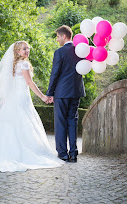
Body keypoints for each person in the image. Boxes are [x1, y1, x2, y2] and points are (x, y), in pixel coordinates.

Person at [0, 41, 64, 172]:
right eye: (24, 49)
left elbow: (9, 84)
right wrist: (43, 96)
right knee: (24, 122)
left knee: (10, 123)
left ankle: (0, 154)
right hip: (21, 98)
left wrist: (5, 98)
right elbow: (30, 83)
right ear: (17, 52)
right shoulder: (24, 64)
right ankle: (20, 154)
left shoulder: (12, 65)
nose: (27, 51)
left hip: (13, 98)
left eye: (28, 48)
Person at [46, 25, 85, 163]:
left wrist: (49, 93)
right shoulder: (81, 51)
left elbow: (55, 74)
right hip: (76, 92)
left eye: (57, 37)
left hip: (62, 93)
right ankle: (73, 154)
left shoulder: (60, 52)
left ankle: (63, 154)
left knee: (61, 122)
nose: (57, 40)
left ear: (64, 36)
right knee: (72, 121)